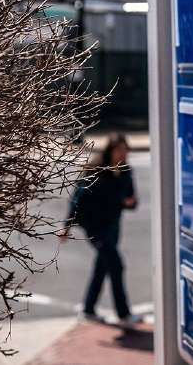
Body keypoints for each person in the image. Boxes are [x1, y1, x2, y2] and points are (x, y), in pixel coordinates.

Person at [61, 133, 139, 326]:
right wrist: (66, 225)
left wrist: (129, 203)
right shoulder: (95, 172)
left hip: (113, 226)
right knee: (116, 265)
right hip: (94, 226)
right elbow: (77, 199)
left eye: (125, 150)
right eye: (118, 150)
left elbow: (130, 201)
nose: (122, 154)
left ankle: (88, 309)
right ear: (110, 151)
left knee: (102, 267)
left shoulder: (127, 172)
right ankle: (124, 315)